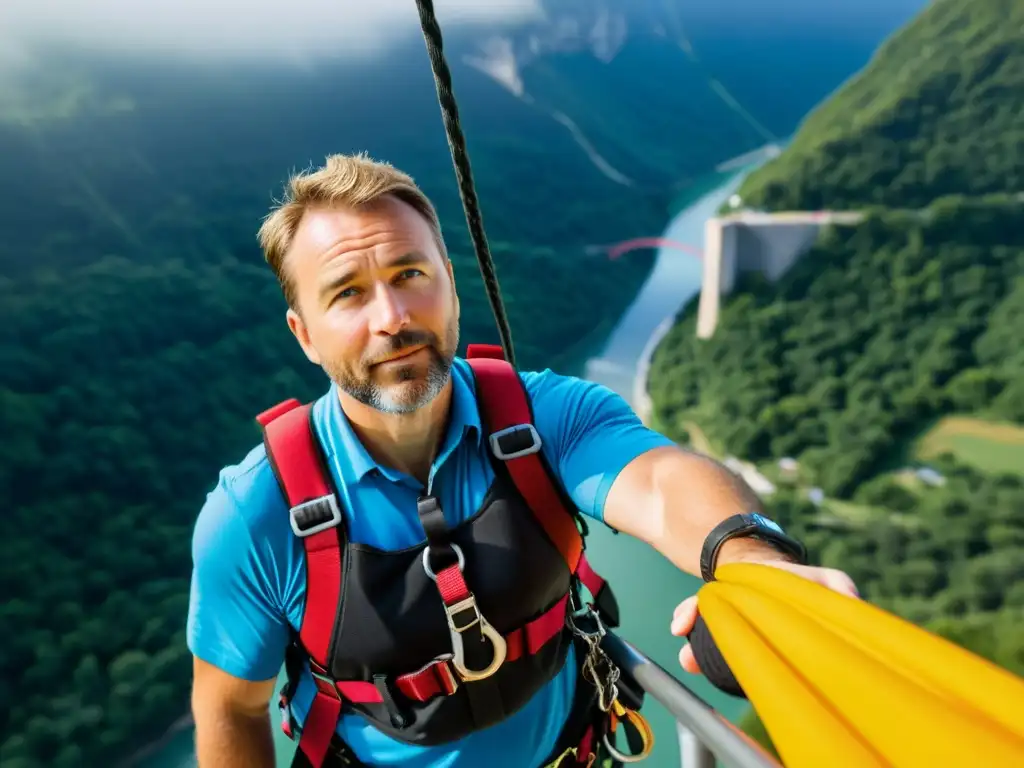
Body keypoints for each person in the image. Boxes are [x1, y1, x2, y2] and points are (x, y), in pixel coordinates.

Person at [186, 153, 860, 768]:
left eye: (409, 275)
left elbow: (659, 482)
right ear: (304, 334)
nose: (391, 317)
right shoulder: (257, 516)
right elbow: (231, 709)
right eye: (348, 294)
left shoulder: (544, 419)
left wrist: (748, 557)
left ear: (449, 284)